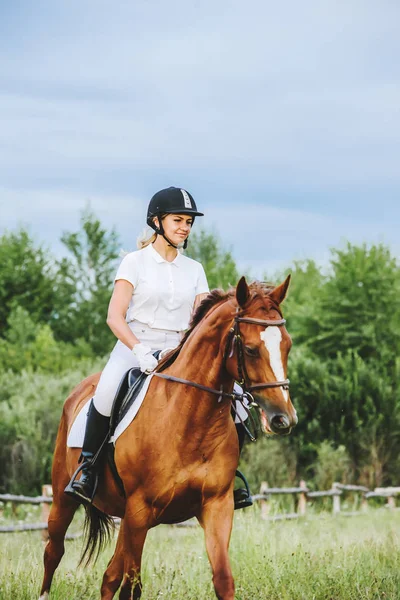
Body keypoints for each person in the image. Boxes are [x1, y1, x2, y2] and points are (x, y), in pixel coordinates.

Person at [65, 186, 252, 509]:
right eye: (178, 220)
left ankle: (229, 476)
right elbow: (114, 317)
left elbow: (200, 321)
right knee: (107, 391)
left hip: (178, 350)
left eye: (189, 222)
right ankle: (86, 469)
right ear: (156, 221)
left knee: (239, 404)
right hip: (134, 344)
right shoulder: (134, 263)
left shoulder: (194, 270)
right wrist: (139, 351)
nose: (184, 227)